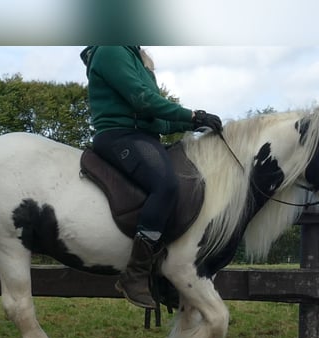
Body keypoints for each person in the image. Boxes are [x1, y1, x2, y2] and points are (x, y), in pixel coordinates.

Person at [80, 45, 223, 308]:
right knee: (165, 185)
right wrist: (191, 114)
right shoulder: (111, 50)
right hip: (119, 135)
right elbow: (142, 99)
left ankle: (166, 268)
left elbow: (157, 120)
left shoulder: (135, 56)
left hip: (143, 136)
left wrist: (194, 124)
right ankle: (135, 274)